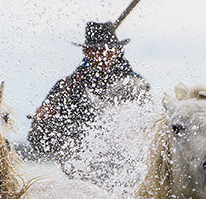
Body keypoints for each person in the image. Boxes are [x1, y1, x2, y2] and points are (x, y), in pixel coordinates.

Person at [28, 21, 150, 157]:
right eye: (98, 49)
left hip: (128, 167)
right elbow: (37, 141)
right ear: (86, 52)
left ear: (117, 50)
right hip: (79, 172)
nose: (104, 54)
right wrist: (45, 124)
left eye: (109, 48)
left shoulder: (136, 85)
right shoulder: (67, 88)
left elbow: (148, 132)